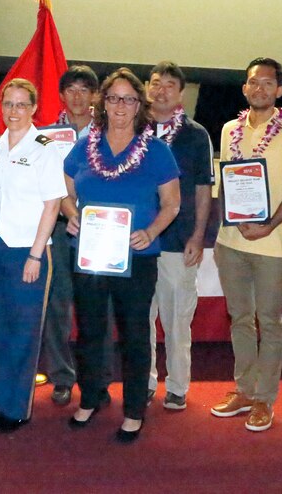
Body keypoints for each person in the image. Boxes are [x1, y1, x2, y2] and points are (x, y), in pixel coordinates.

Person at [63, 68, 180, 443]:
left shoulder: (157, 151)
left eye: (128, 99)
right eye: (113, 97)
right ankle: (91, 397)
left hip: (137, 257)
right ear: (103, 103)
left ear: (139, 106)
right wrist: (71, 214)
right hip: (90, 256)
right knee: (91, 332)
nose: (120, 106)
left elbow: (172, 204)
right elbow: (63, 191)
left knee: (133, 334)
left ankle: (133, 410)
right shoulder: (84, 146)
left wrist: (151, 232)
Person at [211, 57, 282, 432]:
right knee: (239, 319)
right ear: (245, 88)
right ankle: (244, 390)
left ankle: (265, 399)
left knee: (269, 321)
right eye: (255, 82)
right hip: (231, 241)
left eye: (269, 83)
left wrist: (267, 226)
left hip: (270, 245)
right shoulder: (228, 129)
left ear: (279, 91)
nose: (261, 89)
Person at [0, 79, 66, 433]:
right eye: (8, 104)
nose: (13, 111)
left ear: (33, 109)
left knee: (23, 331)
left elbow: (53, 205)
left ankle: (17, 409)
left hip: (28, 250)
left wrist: (34, 255)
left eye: (20, 105)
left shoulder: (45, 149)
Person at [42, 65, 115, 407]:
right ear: (61, 96)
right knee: (58, 304)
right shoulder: (43, 137)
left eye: (85, 90)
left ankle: (96, 377)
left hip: (100, 228)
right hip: (57, 227)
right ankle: (61, 376)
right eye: (70, 89)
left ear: (95, 97)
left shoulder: (110, 134)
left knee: (97, 306)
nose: (77, 96)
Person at [145, 61, 214, 411]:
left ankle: (177, 385)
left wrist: (198, 235)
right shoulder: (132, 128)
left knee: (175, 321)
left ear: (181, 93)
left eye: (169, 85)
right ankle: (144, 381)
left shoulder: (195, 134)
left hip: (177, 240)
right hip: (138, 241)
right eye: (155, 83)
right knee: (140, 318)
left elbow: (203, 189)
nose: (161, 90)